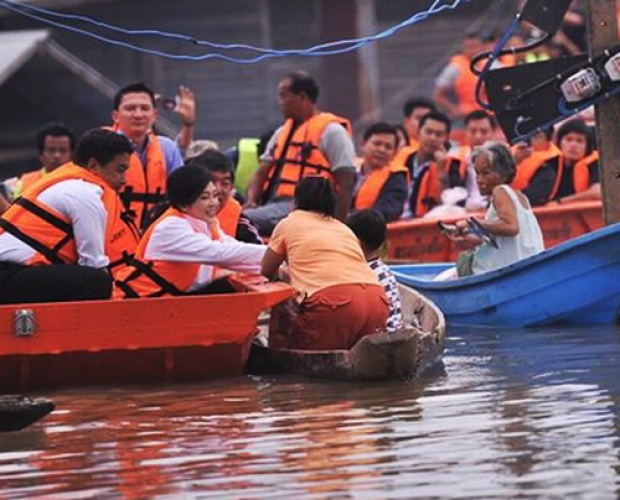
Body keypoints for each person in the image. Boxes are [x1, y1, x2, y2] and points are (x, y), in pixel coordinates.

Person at [0, 129, 136, 304]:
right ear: (93, 165)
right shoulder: (85, 194)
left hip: (14, 274)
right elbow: (93, 263)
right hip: (9, 275)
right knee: (97, 282)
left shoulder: (68, 182)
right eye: (120, 169)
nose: (124, 180)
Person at [261, 177, 388, 350]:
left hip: (335, 304)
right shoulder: (343, 228)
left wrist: (284, 278)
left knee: (281, 297)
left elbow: (266, 270)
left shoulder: (289, 223)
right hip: (377, 301)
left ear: (296, 202)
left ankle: (277, 356)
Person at [114, 165, 266, 298]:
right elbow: (219, 253)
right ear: (184, 204)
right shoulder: (170, 228)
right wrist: (276, 253)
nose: (214, 203)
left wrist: (275, 266)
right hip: (133, 306)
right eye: (205, 198)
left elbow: (232, 248)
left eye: (215, 195)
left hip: (165, 302)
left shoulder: (205, 222)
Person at [244, 71, 357, 236]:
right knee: (229, 212)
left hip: (308, 209)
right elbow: (261, 173)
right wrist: (251, 201)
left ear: (302, 97)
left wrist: (337, 227)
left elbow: (346, 182)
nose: (280, 102)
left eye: (284, 96)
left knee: (242, 220)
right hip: (275, 204)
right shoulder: (281, 133)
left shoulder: (332, 132)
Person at [437, 141, 544, 279]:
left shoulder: (500, 190)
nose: (479, 180)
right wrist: (466, 233)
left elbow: (511, 227)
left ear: (503, 174)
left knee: (460, 264)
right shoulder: (520, 197)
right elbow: (496, 240)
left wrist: (473, 223)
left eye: (486, 173)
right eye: (477, 174)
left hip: (509, 271)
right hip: (529, 269)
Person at [109, 82, 184, 229]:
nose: (138, 114)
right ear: (115, 116)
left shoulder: (167, 148)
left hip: (157, 234)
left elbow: (182, 194)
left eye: (145, 108)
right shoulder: (103, 148)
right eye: (130, 109)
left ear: (154, 115)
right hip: (113, 233)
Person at [187, 150, 262, 244]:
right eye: (211, 182)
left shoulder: (241, 224)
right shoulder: (172, 218)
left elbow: (260, 254)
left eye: (225, 183)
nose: (218, 190)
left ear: (232, 188)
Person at [347, 209, 404, 333]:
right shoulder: (382, 270)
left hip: (381, 336)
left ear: (357, 242)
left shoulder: (363, 274)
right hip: (391, 334)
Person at [520, 119, 600, 206]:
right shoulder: (549, 165)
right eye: (568, 140)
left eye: (579, 141)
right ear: (559, 143)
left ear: (587, 147)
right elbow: (532, 195)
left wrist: (560, 202)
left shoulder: (594, 164)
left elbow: (597, 193)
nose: (573, 145)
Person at [392, 111, 452, 218]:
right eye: (428, 132)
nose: (432, 138)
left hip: (426, 224)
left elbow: (449, 205)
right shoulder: (401, 158)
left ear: (446, 138)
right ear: (419, 132)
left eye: (439, 134)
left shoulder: (453, 165)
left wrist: (441, 170)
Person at [352, 122, 408, 222]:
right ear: (363, 145)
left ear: (394, 153)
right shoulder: (348, 171)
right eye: (377, 144)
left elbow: (389, 208)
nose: (382, 150)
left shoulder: (396, 178)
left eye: (388, 147)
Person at [10, 123, 77, 200]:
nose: (57, 155)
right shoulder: (24, 183)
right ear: (40, 154)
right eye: (51, 150)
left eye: (63, 150)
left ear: (72, 155)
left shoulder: (81, 182)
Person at [433, 32, 485, 122]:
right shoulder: (454, 68)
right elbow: (438, 96)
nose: (472, 51)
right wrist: (454, 109)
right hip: (465, 115)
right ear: (463, 48)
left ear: (481, 48)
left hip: (486, 113)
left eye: (475, 47)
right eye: (469, 47)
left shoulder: (490, 64)